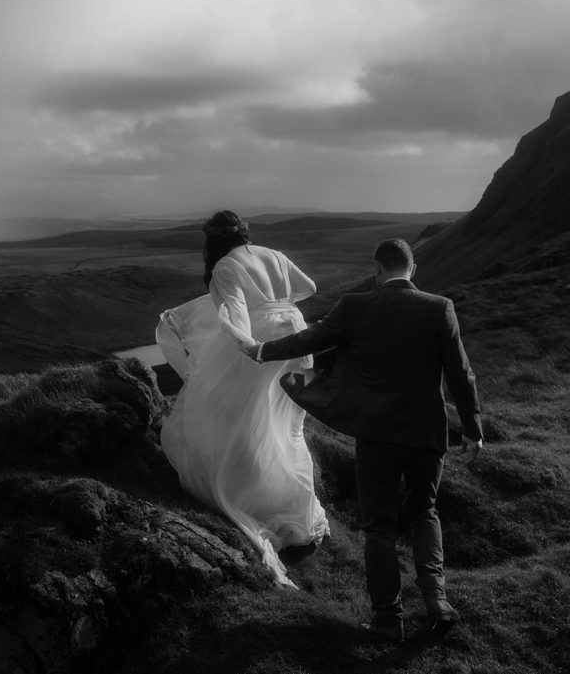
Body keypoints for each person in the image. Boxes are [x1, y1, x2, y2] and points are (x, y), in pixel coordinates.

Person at [242, 237, 483, 642]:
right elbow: (461, 371)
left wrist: (262, 349)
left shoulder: (355, 307)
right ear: (413, 269)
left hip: (376, 435)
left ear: (376, 269)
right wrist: (473, 429)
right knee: (424, 512)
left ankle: (389, 619)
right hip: (426, 433)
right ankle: (437, 603)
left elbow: (308, 340)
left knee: (380, 528)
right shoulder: (440, 308)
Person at [157, 210, 329, 588]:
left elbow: (236, 315)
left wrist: (251, 347)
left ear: (213, 240)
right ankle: (288, 503)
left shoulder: (223, 266)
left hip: (263, 342)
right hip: (297, 337)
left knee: (238, 415)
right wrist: (278, 303)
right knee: (284, 425)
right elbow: (309, 287)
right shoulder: (274, 254)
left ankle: (248, 495)